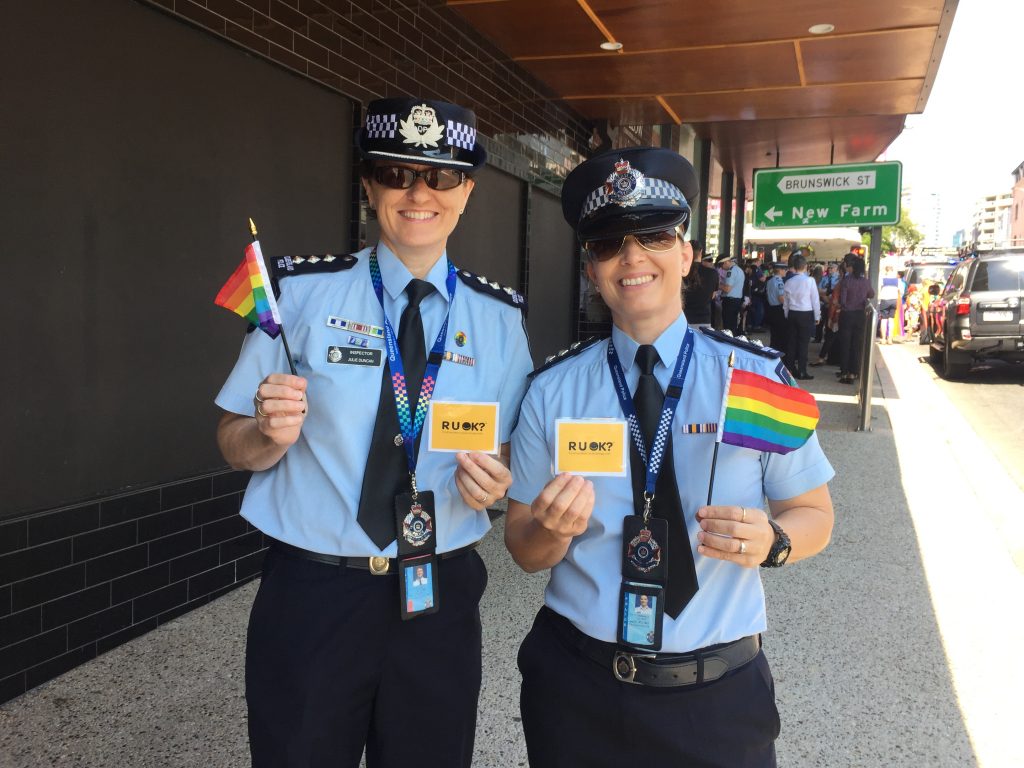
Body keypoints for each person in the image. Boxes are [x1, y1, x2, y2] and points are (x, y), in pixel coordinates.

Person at [215, 96, 534, 768]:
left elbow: (502, 454)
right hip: (313, 598)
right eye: (396, 173)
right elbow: (233, 439)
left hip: (438, 600)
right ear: (367, 185)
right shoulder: (298, 296)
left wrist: (492, 484)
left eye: (441, 177)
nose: (419, 193)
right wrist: (267, 438)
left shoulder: (500, 319)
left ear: (467, 192)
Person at [506, 146, 835, 767]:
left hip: (715, 697)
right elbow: (523, 549)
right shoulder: (553, 391)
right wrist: (548, 533)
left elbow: (813, 512)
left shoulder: (756, 377)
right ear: (591, 268)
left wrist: (776, 541)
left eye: (654, 235)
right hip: (577, 690)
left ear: (685, 254)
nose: (632, 256)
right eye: (608, 243)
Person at [782, 250, 820, 380]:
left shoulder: (788, 282)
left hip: (792, 313)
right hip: (806, 313)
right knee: (803, 343)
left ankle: (789, 370)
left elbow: (785, 303)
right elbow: (815, 300)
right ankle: (802, 371)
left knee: (791, 343)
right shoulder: (810, 281)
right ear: (805, 267)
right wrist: (817, 316)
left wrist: (787, 314)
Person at [837, 256, 874, 384]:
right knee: (857, 345)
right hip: (860, 315)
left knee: (845, 344)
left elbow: (842, 300)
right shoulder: (866, 281)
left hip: (847, 315)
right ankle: (854, 372)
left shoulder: (846, 280)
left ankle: (844, 372)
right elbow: (871, 294)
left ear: (852, 267)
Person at [682, 239, 719, 328]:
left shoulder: (681, 272)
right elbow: (713, 296)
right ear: (701, 252)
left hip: (683, 321)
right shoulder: (712, 273)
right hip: (704, 321)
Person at [765, 261, 788, 352]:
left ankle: (772, 351)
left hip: (771, 309)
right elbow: (781, 298)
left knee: (774, 334)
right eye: (785, 270)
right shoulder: (779, 282)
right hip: (779, 310)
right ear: (780, 270)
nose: (786, 272)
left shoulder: (770, 280)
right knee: (781, 335)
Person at [719, 254, 745, 334]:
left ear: (726, 262)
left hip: (730, 302)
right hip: (736, 301)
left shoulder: (731, 271)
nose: (721, 268)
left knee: (728, 328)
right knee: (733, 325)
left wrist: (718, 285)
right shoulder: (739, 270)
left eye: (721, 265)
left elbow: (727, 289)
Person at [877, 264, 900, 343]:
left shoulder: (883, 279)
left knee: (884, 319)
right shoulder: (897, 280)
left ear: (886, 271)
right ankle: (890, 338)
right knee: (891, 319)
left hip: (885, 299)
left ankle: (883, 338)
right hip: (894, 299)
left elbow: (879, 289)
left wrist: (878, 300)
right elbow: (901, 291)